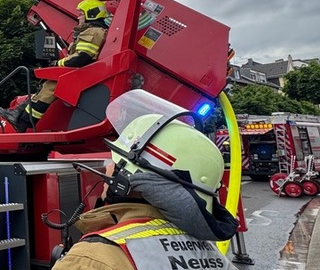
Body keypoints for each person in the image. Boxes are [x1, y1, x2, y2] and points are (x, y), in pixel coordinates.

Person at [53, 92, 239, 269]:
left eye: (115, 161)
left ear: (128, 179)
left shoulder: (91, 258)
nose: (107, 168)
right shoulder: (211, 254)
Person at [0, 0, 109, 132]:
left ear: (91, 14)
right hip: (84, 73)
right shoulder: (93, 31)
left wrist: (58, 63)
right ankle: (17, 114)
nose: (79, 16)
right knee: (45, 87)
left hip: (82, 74)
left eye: (81, 13)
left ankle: (23, 122)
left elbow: (82, 57)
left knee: (49, 88)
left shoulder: (93, 31)